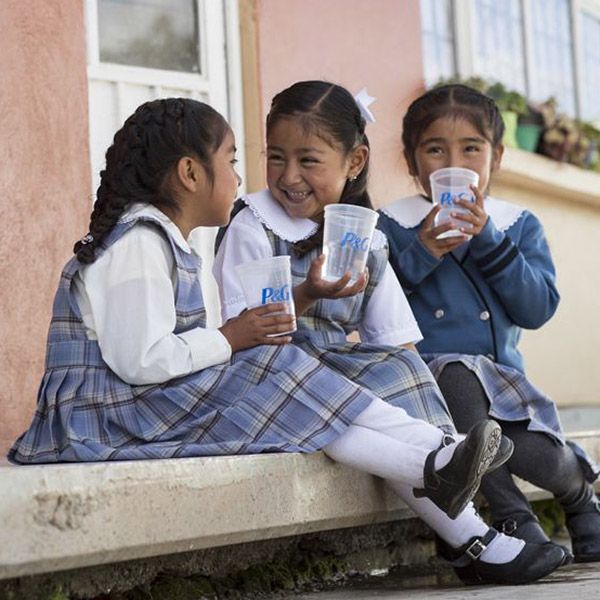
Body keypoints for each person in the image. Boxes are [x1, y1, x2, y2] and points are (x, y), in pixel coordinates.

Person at [213, 81, 565, 583]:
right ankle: (470, 531)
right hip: (263, 371)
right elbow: (243, 331)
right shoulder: (253, 225)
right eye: (276, 158)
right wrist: (309, 293)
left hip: (327, 380)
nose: (289, 177)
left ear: (354, 162)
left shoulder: (367, 236)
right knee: (319, 382)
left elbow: (396, 339)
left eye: (308, 161)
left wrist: (414, 398)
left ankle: (453, 488)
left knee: (398, 368)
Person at [377, 83, 600, 564]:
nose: (452, 163)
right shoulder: (392, 225)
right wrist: (423, 252)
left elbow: (537, 309)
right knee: (458, 377)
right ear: (412, 161)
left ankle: (580, 495)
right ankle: (512, 516)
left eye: (470, 149)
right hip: (427, 386)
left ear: (496, 157)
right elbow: (375, 302)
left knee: (542, 459)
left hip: (504, 385)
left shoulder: (516, 223)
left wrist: (491, 242)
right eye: (434, 149)